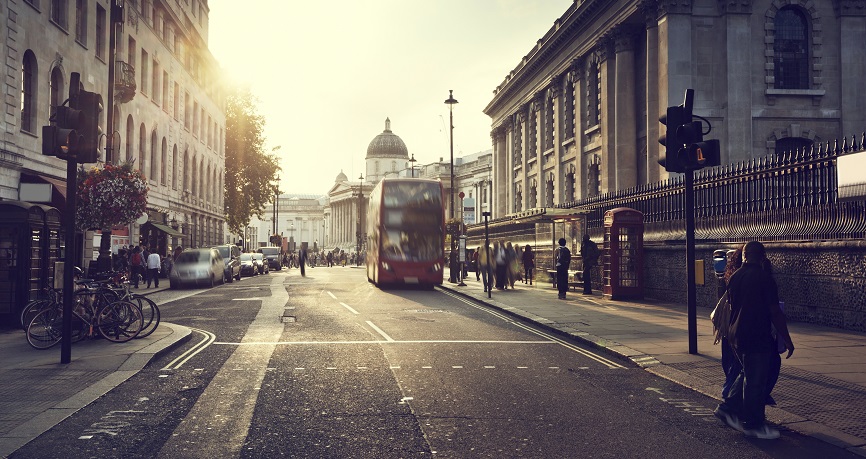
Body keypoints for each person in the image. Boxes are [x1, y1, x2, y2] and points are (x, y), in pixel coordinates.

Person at [714, 241, 794, 440]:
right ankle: (752, 424)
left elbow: (733, 305)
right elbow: (774, 312)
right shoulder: (764, 279)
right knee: (755, 382)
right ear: (763, 256)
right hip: (757, 335)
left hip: (736, 336)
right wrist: (787, 338)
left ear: (745, 256)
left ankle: (727, 408)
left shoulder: (735, 277)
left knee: (747, 373)